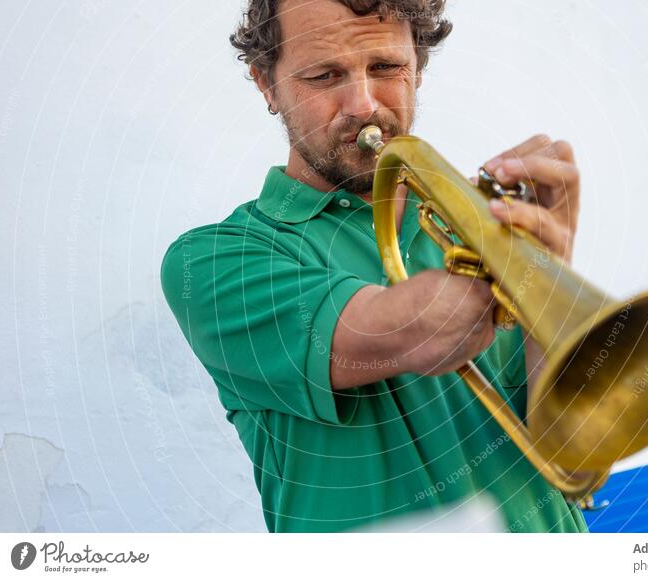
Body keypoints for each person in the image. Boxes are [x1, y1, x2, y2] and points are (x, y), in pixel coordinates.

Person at [161, 0, 584, 532]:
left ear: (419, 69)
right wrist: (516, 267)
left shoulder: (484, 225)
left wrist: (551, 274)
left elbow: (577, 462)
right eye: (324, 75)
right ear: (265, 83)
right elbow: (426, 332)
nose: (363, 104)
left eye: (386, 68)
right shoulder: (210, 261)